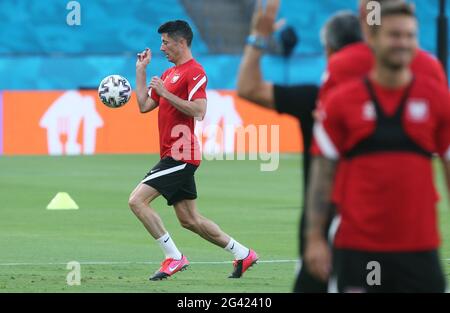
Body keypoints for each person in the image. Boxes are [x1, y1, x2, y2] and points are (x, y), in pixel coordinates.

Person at [305, 2, 450, 292]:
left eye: (410, 36)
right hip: (358, 243)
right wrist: (314, 238)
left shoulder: (435, 96)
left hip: (419, 244)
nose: (403, 43)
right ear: (371, 37)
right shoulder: (343, 99)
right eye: (395, 35)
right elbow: (322, 175)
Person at [237, 0, 363, 292]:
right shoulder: (389, 99)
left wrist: (258, 37)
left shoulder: (315, 100)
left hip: (318, 235)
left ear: (328, 50)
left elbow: (248, 87)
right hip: (379, 234)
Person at [131, 20, 258, 281]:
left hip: (181, 154)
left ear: (181, 42)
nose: (162, 47)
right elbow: (143, 106)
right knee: (190, 220)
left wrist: (165, 93)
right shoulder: (168, 74)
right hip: (172, 154)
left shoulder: (195, 72)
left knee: (137, 201)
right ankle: (244, 254)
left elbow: (199, 111)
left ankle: (174, 257)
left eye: (165, 42)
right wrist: (141, 72)